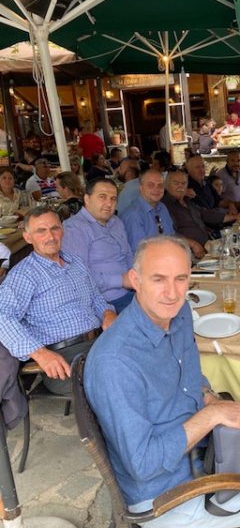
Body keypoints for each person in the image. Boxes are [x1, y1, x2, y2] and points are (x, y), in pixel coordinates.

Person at [84, 236, 240, 528]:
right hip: (164, 494)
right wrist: (212, 416)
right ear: (135, 281)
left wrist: (211, 399)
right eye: (158, 279)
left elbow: (192, 376)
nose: (172, 293)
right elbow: (143, 464)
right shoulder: (115, 362)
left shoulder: (178, 315)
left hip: (204, 450)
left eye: (180, 278)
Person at [0, 207, 115, 395]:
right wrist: (40, 354)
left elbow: (95, 297)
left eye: (54, 228)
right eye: (41, 231)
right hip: (65, 356)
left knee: (147, 358)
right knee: (119, 380)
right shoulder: (24, 275)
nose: (51, 236)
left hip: (99, 342)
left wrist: (108, 313)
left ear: (62, 230)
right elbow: (2, 316)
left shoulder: (76, 262)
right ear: (28, 237)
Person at [62, 179, 134, 313]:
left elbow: (128, 254)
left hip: (133, 291)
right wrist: (121, 280)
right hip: (105, 302)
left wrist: (137, 275)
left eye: (113, 199)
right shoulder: (75, 228)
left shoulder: (116, 222)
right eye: (102, 197)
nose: (109, 203)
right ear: (87, 199)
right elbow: (77, 276)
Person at [120, 169, 174, 252]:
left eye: (160, 185)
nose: (156, 189)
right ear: (141, 188)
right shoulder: (134, 214)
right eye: (150, 185)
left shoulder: (162, 207)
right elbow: (140, 252)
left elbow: (171, 237)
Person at [162, 170, 209, 259]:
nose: (180, 186)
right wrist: (192, 244)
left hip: (206, 247)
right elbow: (170, 234)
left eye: (183, 183)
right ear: (166, 186)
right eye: (176, 183)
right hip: (187, 254)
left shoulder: (187, 201)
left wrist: (233, 216)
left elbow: (206, 214)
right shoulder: (165, 206)